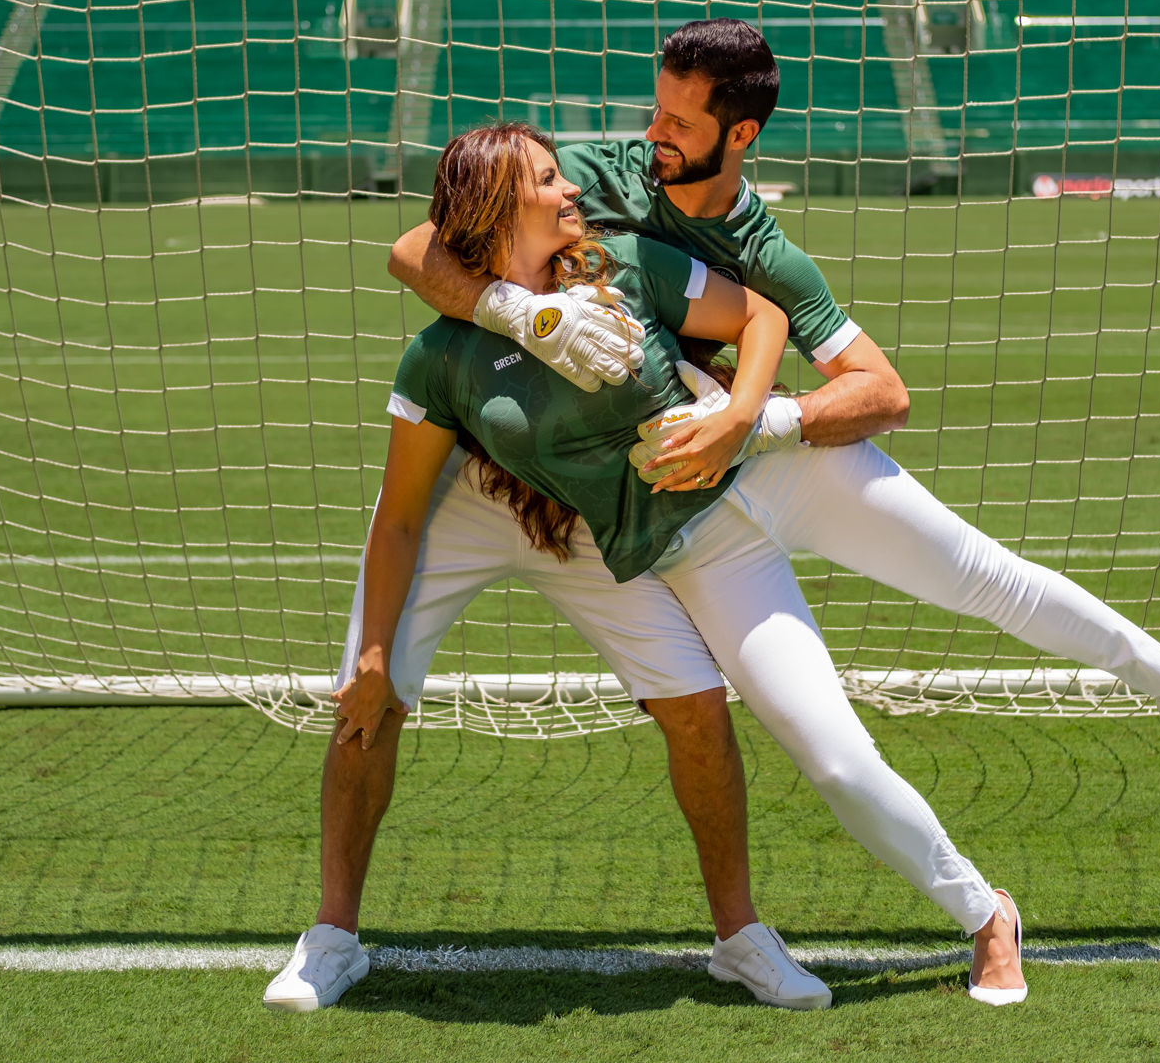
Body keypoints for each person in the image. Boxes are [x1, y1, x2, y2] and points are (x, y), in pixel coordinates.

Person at [267, 123, 1027, 1013]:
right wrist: (369, 659)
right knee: (373, 693)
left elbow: (756, 314)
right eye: (547, 180)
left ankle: (741, 939)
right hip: (470, 504)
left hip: (583, 518)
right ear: (495, 208)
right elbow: (398, 519)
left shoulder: (617, 267)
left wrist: (743, 414)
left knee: (697, 707)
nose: (568, 189)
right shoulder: (440, 354)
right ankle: (332, 939)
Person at [388, 18, 1160, 764]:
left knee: (983, 577)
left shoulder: (769, 256)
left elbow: (883, 392)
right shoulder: (589, 173)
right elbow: (413, 250)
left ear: (739, 134)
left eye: (679, 123)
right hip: (649, 501)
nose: (651, 135)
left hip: (760, 462)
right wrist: (523, 315)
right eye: (654, 110)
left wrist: (752, 418)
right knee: (803, 734)